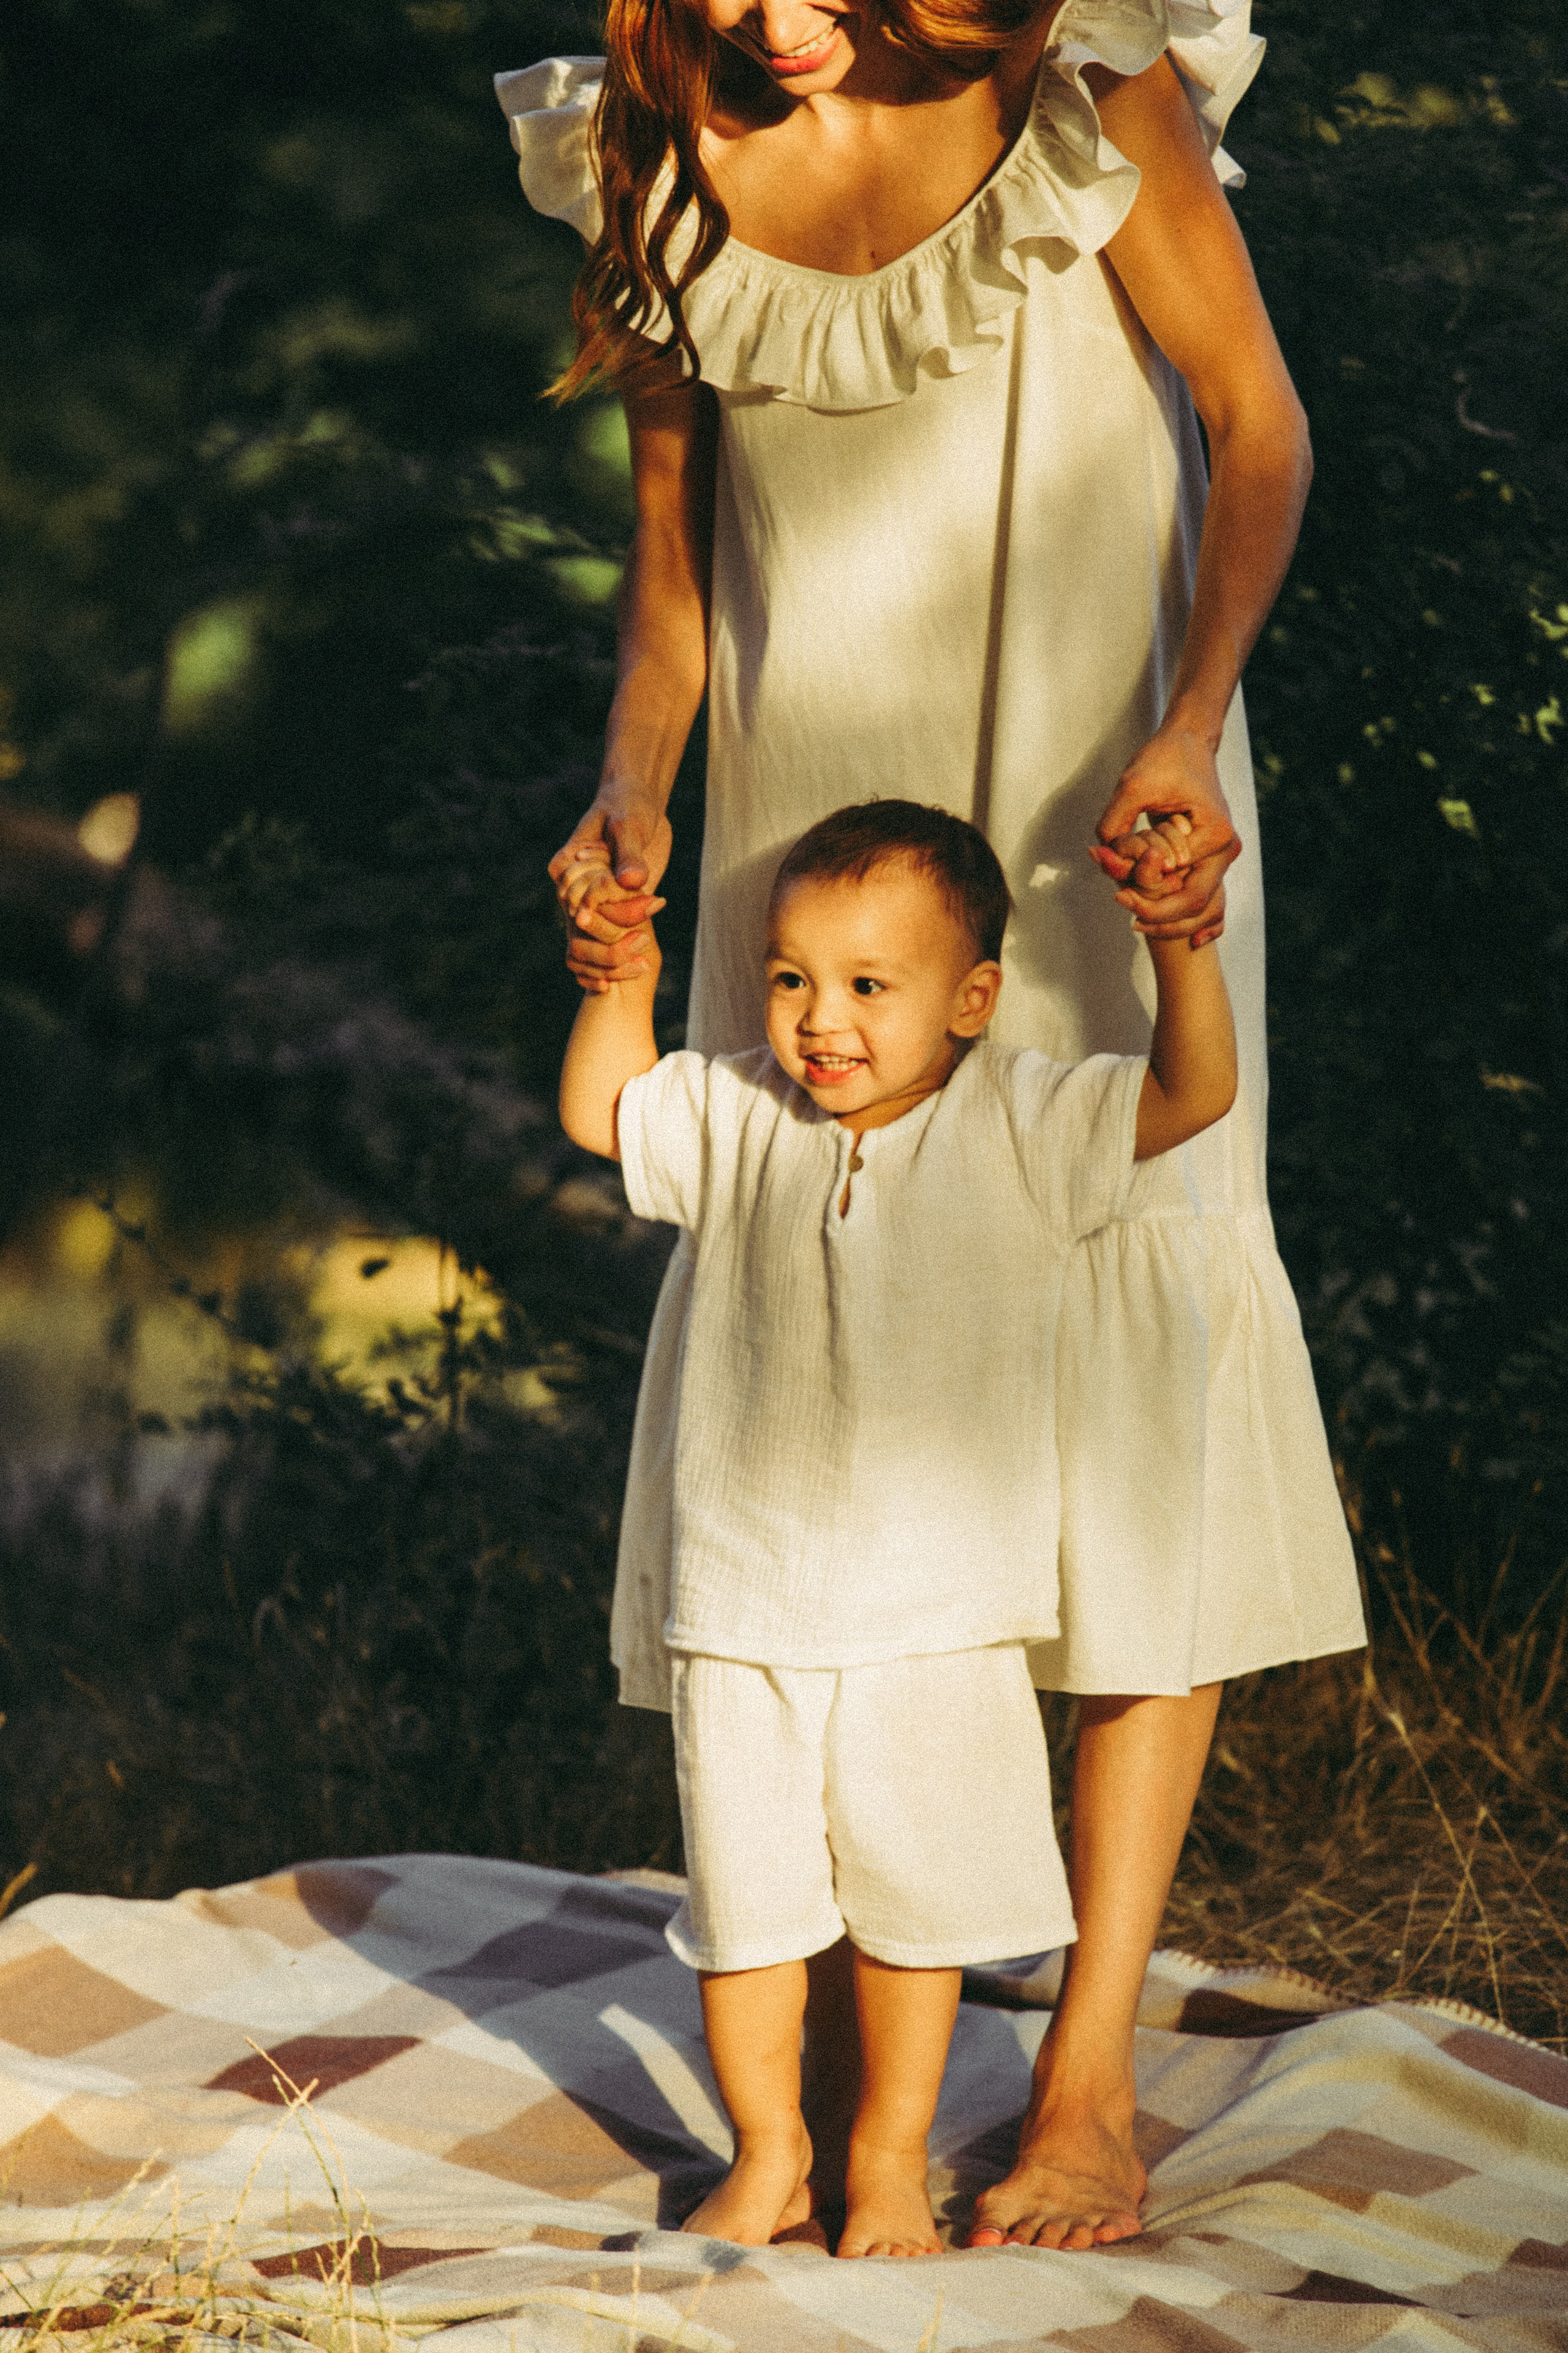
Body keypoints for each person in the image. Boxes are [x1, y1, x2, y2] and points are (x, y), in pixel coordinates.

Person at [497, 0, 1366, 2251]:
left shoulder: (1094, 87)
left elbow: (1256, 431)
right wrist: (633, 779)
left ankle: (1084, 2078)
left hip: (1103, 810)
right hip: (816, 835)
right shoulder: (652, 144)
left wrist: (1187, 719)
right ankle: (832, 2099)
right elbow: (675, 564)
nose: (775, 20)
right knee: (830, 1346)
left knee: (1124, 1348)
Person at [558, 798, 1240, 2256]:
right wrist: (615, 973)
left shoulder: (1020, 1117)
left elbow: (1189, 1096)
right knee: (741, 1915)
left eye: (870, 986)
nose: (819, 1019)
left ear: (969, 999)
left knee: (908, 1915)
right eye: (791, 976)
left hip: (936, 1619)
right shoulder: (739, 1107)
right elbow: (600, 1113)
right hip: (741, 1608)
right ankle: (770, 2154)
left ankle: (882, 2156)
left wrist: (1182, 950)